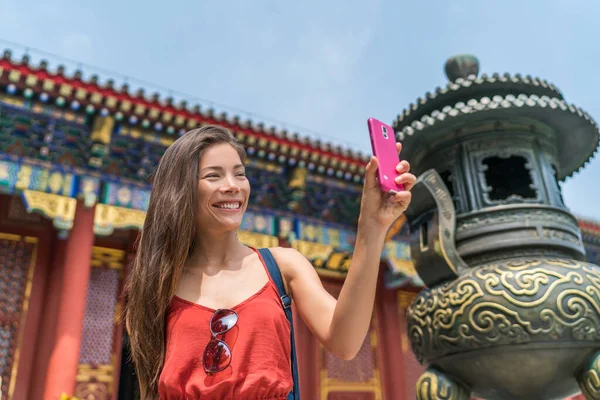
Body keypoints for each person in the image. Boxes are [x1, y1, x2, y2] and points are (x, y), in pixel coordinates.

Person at [124, 125, 416, 399]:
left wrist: (371, 227)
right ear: (180, 189)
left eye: (239, 174)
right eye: (213, 176)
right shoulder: (160, 282)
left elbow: (345, 341)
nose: (232, 186)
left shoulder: (283, 265)